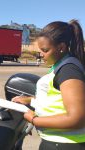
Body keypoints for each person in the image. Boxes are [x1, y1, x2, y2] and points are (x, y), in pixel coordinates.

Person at [12, 19, 85, 150]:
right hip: (59, 141)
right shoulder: (59, 66)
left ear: (61, 47)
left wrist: (34, 120)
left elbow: (77, 118)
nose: (41, 54)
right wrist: (30, 100)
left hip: (65, 143)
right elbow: (57, 99)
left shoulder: (68, 69)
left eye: (45, 50)